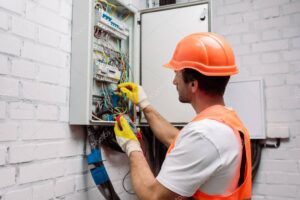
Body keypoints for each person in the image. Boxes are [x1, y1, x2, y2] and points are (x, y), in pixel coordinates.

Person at [114, 32, 252, 200]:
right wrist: (145, 105)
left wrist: (131, 145)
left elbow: (153, 195)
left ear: (193, 84)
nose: (174, 82)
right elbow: (178, 141)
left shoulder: (205, 133)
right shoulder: (224, 120)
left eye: (176, 74)